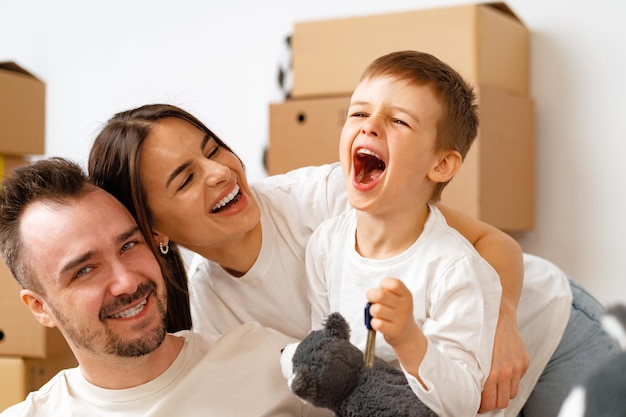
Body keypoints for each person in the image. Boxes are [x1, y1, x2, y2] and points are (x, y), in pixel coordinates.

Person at [88, 102, 529, 412]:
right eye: (186, 180)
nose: (221, 172)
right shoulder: (211, 311)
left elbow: (493, 242)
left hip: (541, 330)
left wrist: (503, 320)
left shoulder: (327, 198)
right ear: (155, 229)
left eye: (212, 149)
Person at [305, 50, 620, 417]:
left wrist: (409, 339)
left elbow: (462, 401)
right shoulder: (324, 244)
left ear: (441, 164)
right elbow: (330, 354)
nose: (369, 125)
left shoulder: (454, 267)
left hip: (561, 333)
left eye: (399, 121)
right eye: (359, 112)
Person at [0, 157, 331, 417]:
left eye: (129, 245)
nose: (127, 281)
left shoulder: (270, 361)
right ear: (40, 307)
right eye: (85, 270)